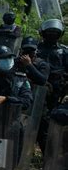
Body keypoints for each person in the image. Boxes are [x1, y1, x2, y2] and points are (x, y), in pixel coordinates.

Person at [36, 19, 67, 153]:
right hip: (37, 87)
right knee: (37, 121)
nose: (52, 35)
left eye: (55, 33)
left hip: (57, 90)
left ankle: (50, 154)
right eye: (50, 32)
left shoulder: (64, 51)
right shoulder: (36, 49)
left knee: (52, 121)